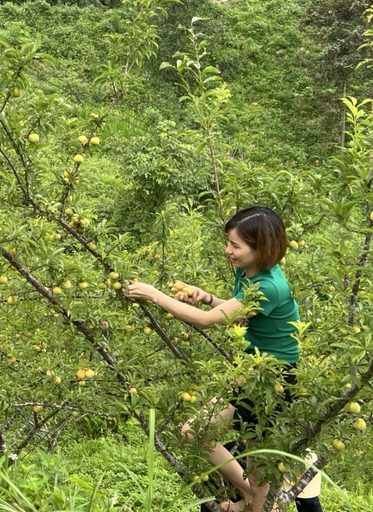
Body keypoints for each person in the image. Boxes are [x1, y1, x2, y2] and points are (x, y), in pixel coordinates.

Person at [124, 206, 303, 512]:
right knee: (193, 432)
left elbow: (207, 321)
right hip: (250, 371)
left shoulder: (270, 286)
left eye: (236, 245)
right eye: (228, 242)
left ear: (262, 249)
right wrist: (207, 297)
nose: (228, 250)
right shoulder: (248, 273)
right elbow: (242, 313)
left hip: (272, 381)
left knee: (257, 464)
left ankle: (256, 501)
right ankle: (252, 497)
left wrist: (156, 296)